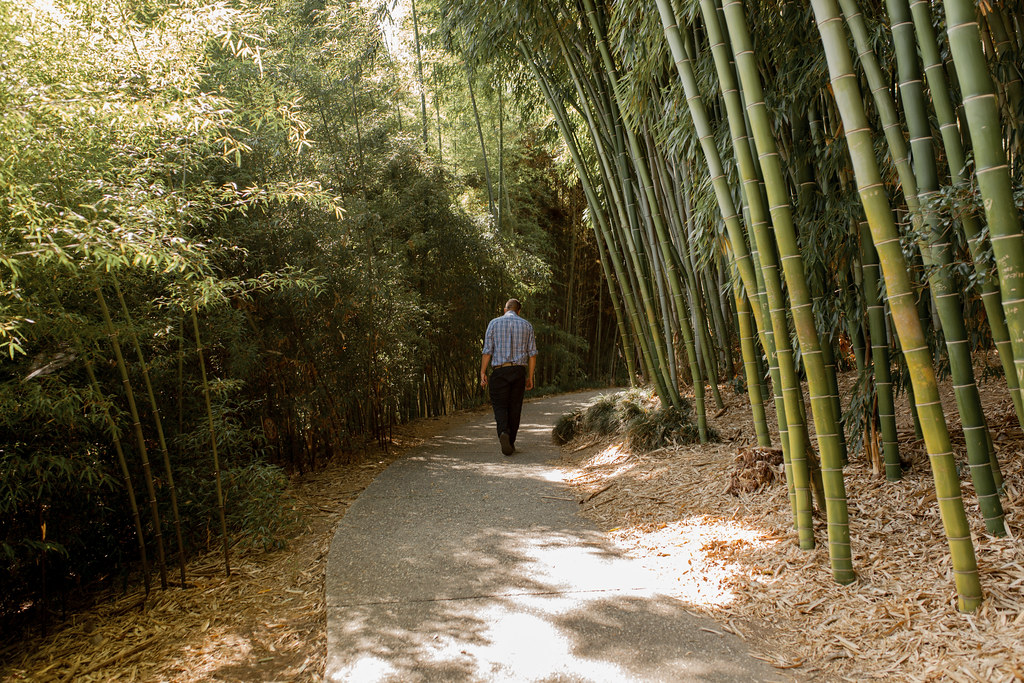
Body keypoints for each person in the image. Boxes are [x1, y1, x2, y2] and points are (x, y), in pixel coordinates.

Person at [480, 298, 537, 456]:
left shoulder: (494, 323)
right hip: (518, 372)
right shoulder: (527, 325)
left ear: (505, 310)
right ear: (518, 311)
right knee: (515, 407)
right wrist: (530, 377)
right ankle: (510, 441)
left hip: (499, 371)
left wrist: (482, 372)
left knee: (500, 406)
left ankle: (503, 432)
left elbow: (487, 351)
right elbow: (532, 355)